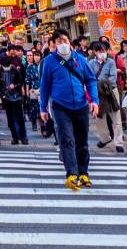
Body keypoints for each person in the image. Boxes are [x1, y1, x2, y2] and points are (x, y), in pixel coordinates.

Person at [37, 33, 98, 190]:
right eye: (59, 41)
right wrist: (43, 108)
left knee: (82, 141)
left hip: (81, 105)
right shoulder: (49, 61)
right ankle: (72, 173)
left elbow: (91, 80)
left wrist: (94, 101)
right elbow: (44, 86)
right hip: (60, 106)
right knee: (66, 139)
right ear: (54, 44)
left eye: (64, 40)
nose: (62, 43)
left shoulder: (81, 59)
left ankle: (83, 173)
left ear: (70, 42)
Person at [93, 41, 127, 154]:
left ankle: (119, 142)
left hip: (111, 92)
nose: (102, 53)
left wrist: (102, 85)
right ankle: (104, 138)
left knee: (116, 117)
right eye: (99, 51)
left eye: (103, 51)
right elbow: (89, 78)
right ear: (95, 52)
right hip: (97, 93)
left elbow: (113, 78)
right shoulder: (91, 63)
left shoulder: (111, 62)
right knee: (99, 118)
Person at [0, 51, 30, 146]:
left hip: (17, 97)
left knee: (20, 118)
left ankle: (23, 137)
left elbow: (21, 82)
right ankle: (14, 137)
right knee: (10, 119)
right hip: (6, 97)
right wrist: (2, 96)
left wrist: (14, 86)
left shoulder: (15, 70)